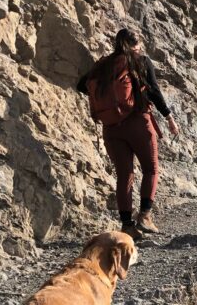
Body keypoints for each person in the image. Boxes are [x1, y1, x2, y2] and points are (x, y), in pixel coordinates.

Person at [77, 28, 179, 237]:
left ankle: (127, 226)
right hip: (138, 122)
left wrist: (111, 105)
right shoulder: (140, 61)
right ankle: (145, 217)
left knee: (125, 175)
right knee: (150, 169)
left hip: (111, 127)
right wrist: (169, 117)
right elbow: (154, 91)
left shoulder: (103, 65)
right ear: (136, 44)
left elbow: (81, 86)